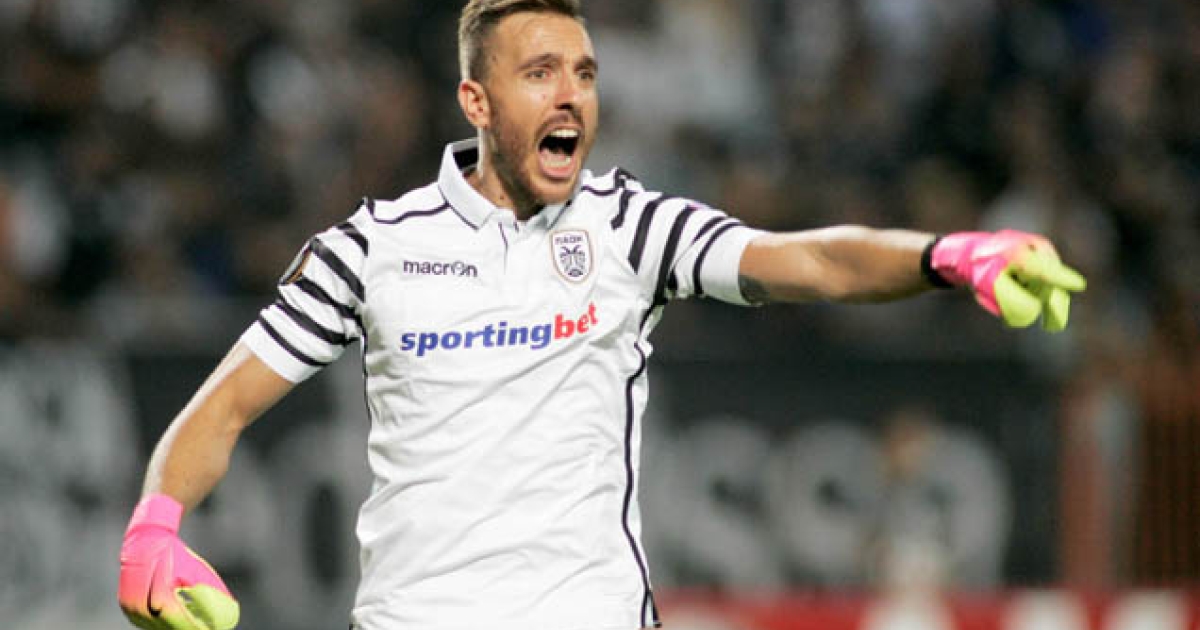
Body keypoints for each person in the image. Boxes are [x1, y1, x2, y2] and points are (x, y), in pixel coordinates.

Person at [116, 1, 1087, 629]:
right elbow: (225, 405)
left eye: (583, 73)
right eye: (540, 72)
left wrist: (944, 256)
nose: (572, 95)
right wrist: (154, 528)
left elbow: (809, 259)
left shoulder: (630, 227)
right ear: (477, 101)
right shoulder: (371, 248)